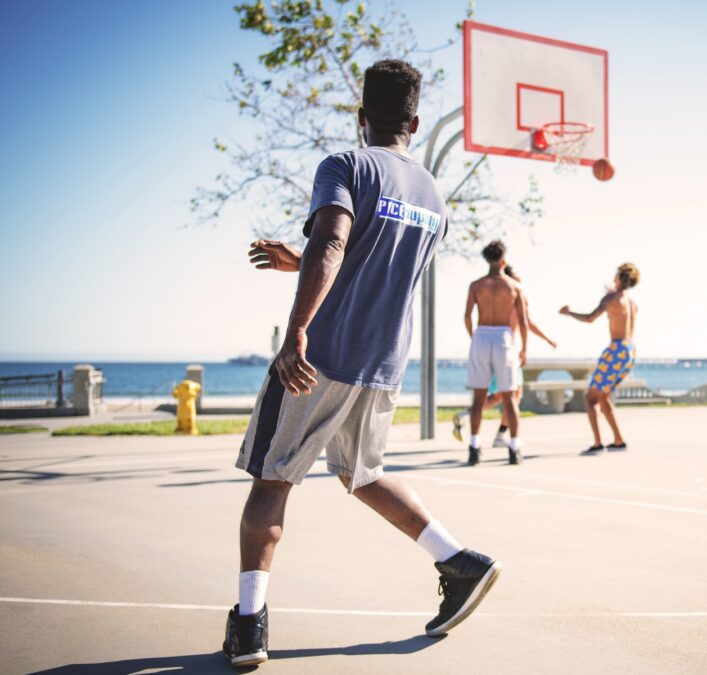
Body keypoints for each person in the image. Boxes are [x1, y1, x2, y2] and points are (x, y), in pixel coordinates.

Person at [228, 60, 501, 668]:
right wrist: (299, 261)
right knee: (365, 474)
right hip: (382, 363)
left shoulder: (346, 165)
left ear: (362, 115)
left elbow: (335, 241)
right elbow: (371, 261)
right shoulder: (434, 194)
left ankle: (249, 624)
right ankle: (460, 561)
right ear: (416, 120)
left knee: (273, 479)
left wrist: (296, 329)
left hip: (322, 355)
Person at [453, 264, 557, 448]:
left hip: (493, 347)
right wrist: (543, 341)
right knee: (510, 396)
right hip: (507, 351)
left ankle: (483, 428)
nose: (520, 281)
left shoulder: (494, 293)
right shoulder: (513, 296)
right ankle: (493, 431)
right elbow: (527, 323)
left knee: (503, 395)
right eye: (517, 277)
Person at [559, 263, 640, 455]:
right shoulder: (632, 302)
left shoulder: (611, 298)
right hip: (629, 351)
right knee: (602, 396)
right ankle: (618, 440)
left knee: (590, 398)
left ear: (620, 277)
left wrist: (569, 313)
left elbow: (589, 318)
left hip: (616, 349)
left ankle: (597, 443)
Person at [462, 241, 528, 466]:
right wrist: (524, 348)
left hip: (482, 335)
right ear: (503, 259)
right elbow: (523, 321)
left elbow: (467, 316)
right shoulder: (513, 287)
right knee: (509, 397)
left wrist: (475, 337)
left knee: (479, 398)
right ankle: (514, 448)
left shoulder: (476, 285)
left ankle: (474, 446)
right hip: (503, 337)